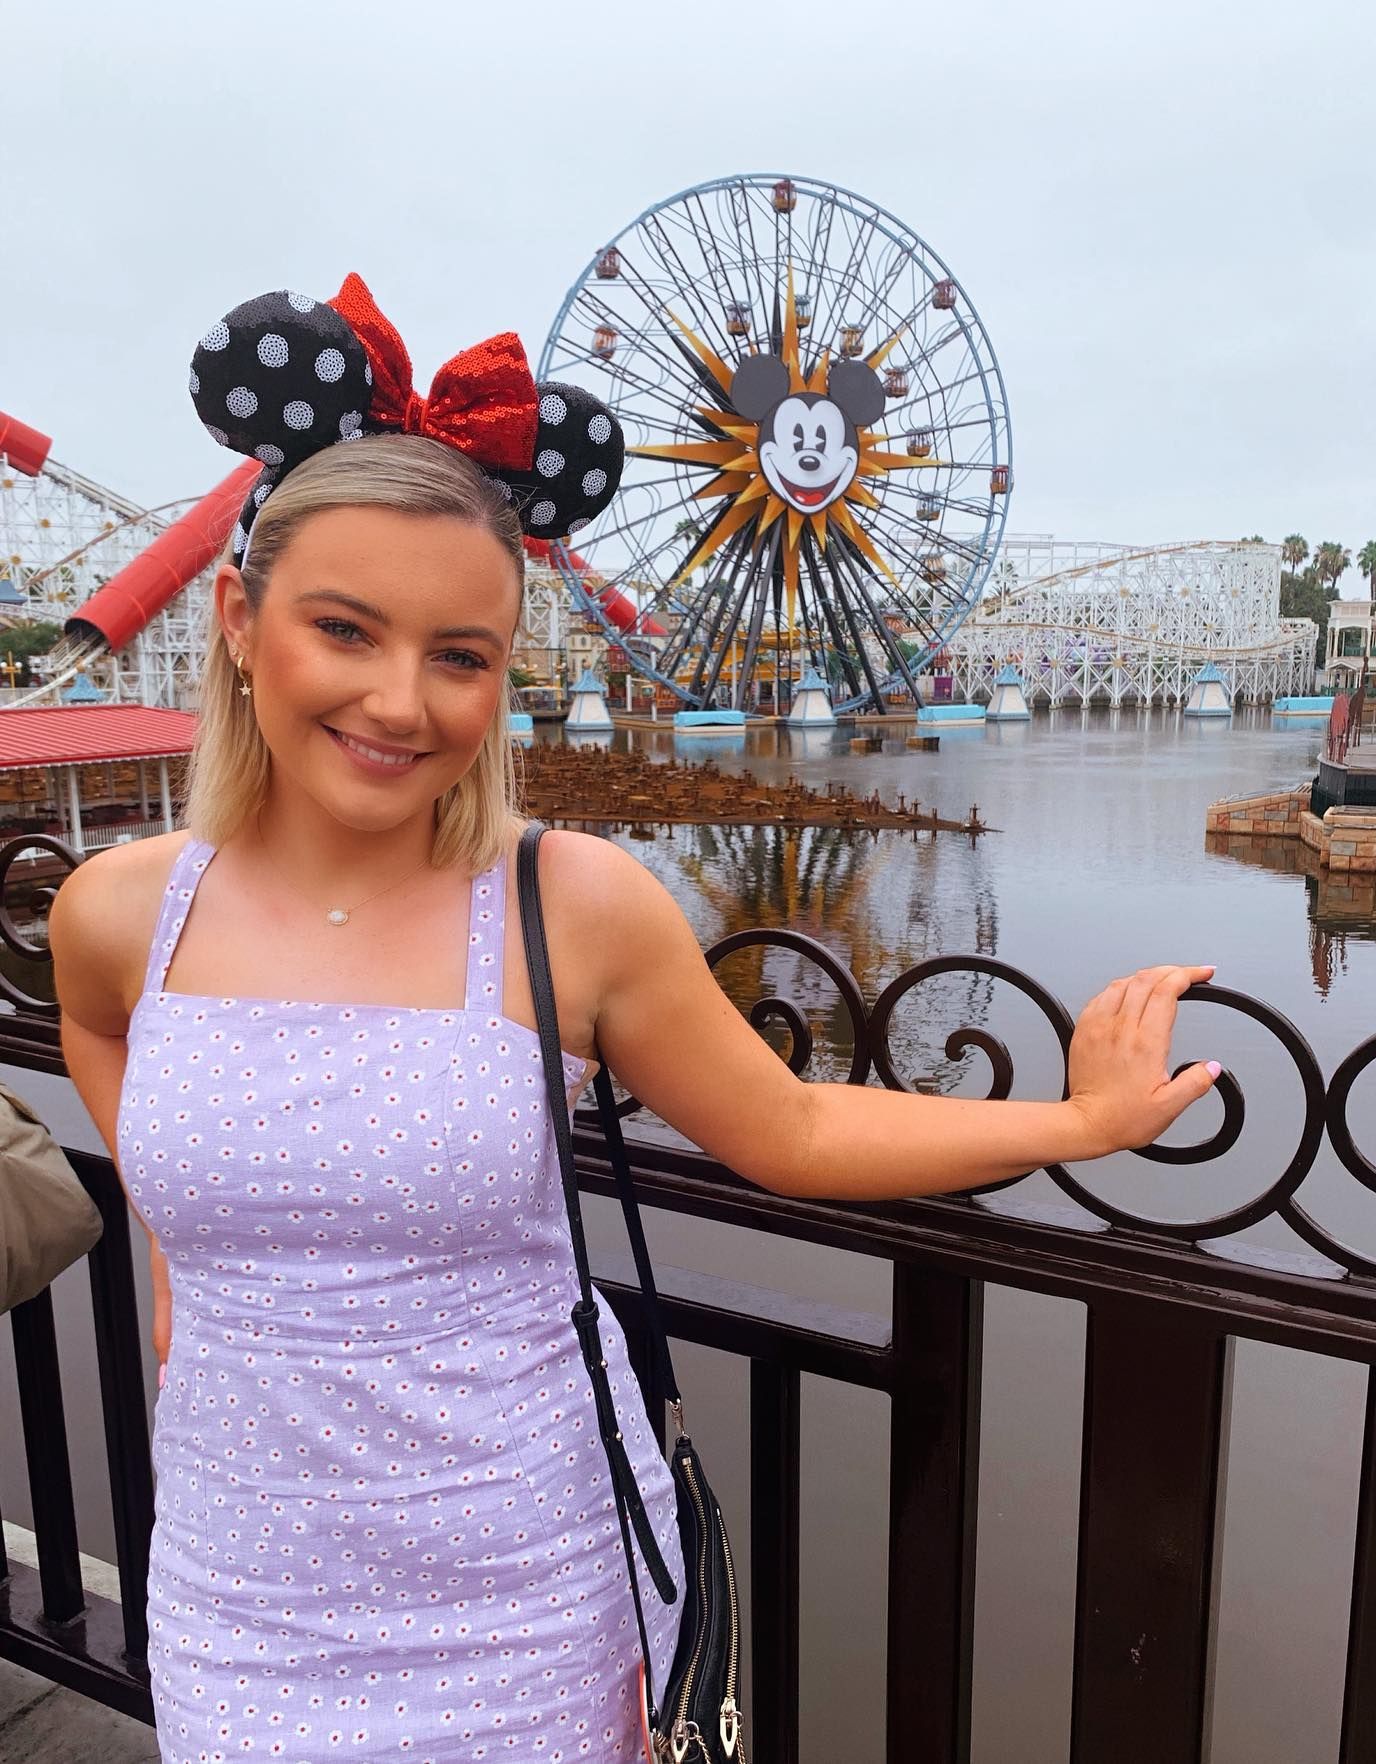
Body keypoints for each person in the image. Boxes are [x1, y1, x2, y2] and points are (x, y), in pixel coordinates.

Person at [48, 278, 1219, 1763]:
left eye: (461, 656)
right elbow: (103, 1037)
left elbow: (792, 1125)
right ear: (237, 619)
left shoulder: (569, 905)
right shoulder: (121, 912)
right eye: (344, 629)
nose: (401, 702)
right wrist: (178, 1245)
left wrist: (1080, 1122)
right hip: (241, 1585)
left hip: (522, 1590)